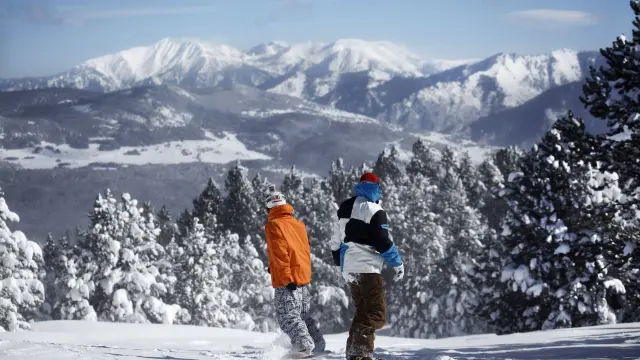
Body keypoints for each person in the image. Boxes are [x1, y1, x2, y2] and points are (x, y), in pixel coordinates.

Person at [329, 172, 404, 360]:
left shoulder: (345, 207)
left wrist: (342, 263)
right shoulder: (375, 210)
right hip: (368, 269)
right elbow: (383, 242)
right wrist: (397, 263)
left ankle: (355, 354)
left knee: (363, 312)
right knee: (377, 314)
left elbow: (335, 240)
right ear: (377, 188)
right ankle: (360, 354)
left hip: (349, 268)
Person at [264, 185, 326, 358]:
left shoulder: (273, 225)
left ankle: (303, 346)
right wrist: (274, 267)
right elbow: (297, 251)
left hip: (288, 280)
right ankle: (318, 344)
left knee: (288, 317)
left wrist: (284, 277)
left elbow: (280, 253)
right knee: (302, 315)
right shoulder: (298, 225)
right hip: (302, 277)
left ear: (269, 207)